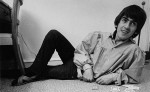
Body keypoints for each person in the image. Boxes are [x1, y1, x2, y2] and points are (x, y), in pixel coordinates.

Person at [12, 4, 147, 86]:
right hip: (79, 62)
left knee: (45, 72)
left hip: (75, 71)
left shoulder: (135, 51)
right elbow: (80, 50)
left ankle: (28, 73)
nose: (127, 26)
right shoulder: (99, 35)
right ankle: (31, 72)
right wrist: (87, 66)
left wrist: (113, 76)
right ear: (118, 22)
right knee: (53, 34)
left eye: (133, 23)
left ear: (136, 30)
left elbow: (134, 76)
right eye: (125, 20)